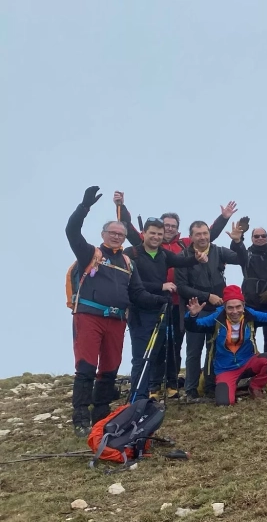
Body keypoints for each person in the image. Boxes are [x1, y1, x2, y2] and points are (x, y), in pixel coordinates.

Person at [66, 187, 169, 437]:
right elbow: (72, 231)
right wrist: (84, 207)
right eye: (112, 233)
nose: (116, 236)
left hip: (116, 319)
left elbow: (138, 294)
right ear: (103, 234)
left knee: (110, 367)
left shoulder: (127, 262)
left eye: (120, 234)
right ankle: (81, 417)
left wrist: (161, 300)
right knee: (86, 366)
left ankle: (101, 415)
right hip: (89, 316)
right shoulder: (90, 254)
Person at [113, 192, 233, 397]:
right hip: (149, 301)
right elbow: (129, 229)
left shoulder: (184, 244)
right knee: (154, 346)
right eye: (165, 226)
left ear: (178, 229)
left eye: (172, 226)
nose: (168, 229)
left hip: (179, 303)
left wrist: (223, 218)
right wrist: (121, 207)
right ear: (148, 232)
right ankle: (152, 386)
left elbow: (206, 235)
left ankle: (172, 383)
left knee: (173, 344)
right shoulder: (143, 246)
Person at [123, 218, 205, 400]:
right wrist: (160, 286)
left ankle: (151, 392)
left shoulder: (163, 254)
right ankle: (138, 398)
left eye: (159, 234)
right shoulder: (131, 253)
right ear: (143, 233)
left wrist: (196, 258)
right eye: (152, 233)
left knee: (160, 351)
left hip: (160, 310)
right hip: (139, 312)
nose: (156, 237)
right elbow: (131, 283)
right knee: (141, 356)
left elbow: (182, 261)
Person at [174, 221, 248, 401]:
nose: (202, 237)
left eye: (205, 233)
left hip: (218, 309)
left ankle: (210, 387)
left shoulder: (218, 251)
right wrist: (207, 296)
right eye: (198, 234)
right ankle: (190, 391)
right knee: (194, 351)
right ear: (191, 237)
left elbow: (242, 260)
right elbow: (181, 287)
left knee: (214, 349)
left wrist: (238, 242)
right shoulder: (183, 257)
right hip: (196, 310)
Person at [184, 286, 267, 406]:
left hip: (248, 362)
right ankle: (232, 387)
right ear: (224, 307)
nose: (235, 311)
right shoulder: (217, 317)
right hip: (226, 369)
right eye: (230, 308)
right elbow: (194, 327)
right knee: (224, 402)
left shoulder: (249, 314)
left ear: (243, 305)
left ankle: (255, 387)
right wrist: (192, 316)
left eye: (238, 307)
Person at [236, 226, 267, 353]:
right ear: (251, 238)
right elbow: (237, 249)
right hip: (250, 302)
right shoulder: (246, 255)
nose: (260, 238)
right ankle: (248, 363)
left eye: (263, 236)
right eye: (256, 236)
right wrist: (238, 238)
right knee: (248, 339)